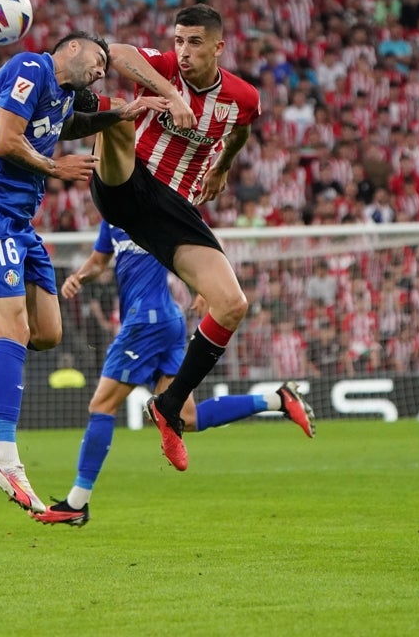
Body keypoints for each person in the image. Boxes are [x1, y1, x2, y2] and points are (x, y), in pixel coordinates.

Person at [0, 30, 165, 514]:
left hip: (18, 223)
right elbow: (4, 140)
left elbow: (65, 124)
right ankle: (4, 455)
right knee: (14, 328)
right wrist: (55, 167)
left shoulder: (61, 97)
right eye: (97, 58)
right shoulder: (32, 68)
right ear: (71, 47)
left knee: (45, 333)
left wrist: (118, 113)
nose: (101, 68)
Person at [90, 4, 315, 471]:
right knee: (115, 115)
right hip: (127, 182)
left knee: (232, 304)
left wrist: (223, 166)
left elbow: (240, 130)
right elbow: (115, 51)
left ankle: (169, 406)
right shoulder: (165, 67)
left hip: (171, 209)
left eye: (194, 42)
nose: (183, 51)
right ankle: (54, 114)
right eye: (178, 40)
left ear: (218, 47)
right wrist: (170, 94)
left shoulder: (242, 97)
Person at [35, 221, 300, 527]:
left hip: (145, 323)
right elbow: (98, 261)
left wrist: (205, 289)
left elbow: (205, 243)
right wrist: (78, 277)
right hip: (167, 321)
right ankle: (277, 399)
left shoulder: (148, 206)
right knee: (186, 418)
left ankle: (76, 504)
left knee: (101, 406)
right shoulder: (111, 218)